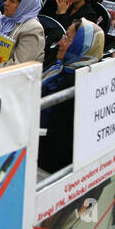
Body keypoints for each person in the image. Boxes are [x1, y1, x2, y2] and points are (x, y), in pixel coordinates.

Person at [38, 18, 105, 173]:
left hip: (47, 163)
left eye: (67, 38)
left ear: (83, 45)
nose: (60, 43)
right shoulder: (60, 68)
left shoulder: (77, 83)